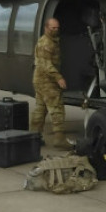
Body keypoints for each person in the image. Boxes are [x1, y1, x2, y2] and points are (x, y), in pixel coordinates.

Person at [31, 17, 73, 150]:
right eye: (53, 28)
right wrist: (58, 77)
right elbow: (46, 64)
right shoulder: (46, 44)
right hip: (47, 81)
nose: (55, 30)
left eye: (57, 28)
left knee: (40, 109)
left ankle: (33, 137)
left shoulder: (50, 41)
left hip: (40, 80)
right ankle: (59, 139)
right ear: (46, 28)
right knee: (57, 108)